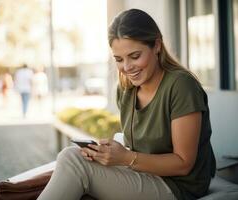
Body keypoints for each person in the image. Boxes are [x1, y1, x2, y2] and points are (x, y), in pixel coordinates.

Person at [37, 9, 216, 200]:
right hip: (145, 174)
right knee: (73, 156)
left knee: (74, 162)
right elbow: (137, 151)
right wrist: (106, 154)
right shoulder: (126, 90)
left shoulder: (181, 86)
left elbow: (183, 163)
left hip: (179, 186)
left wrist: (124, 158)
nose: (127, 67)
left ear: (156, 45)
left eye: (135, 56)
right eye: (119, 59)